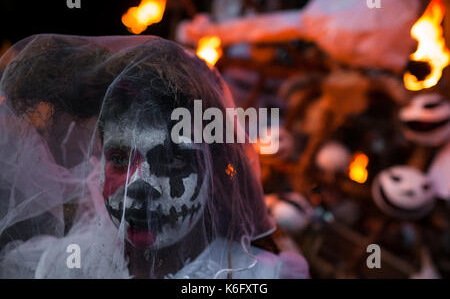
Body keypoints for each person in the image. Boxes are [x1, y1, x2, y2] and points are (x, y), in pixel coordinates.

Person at [0, 34, 309, 279]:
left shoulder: (259, 275)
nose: (139, 187)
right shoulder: (62, 268)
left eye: (171, 161)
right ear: (98, 162)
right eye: (120, 159)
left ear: (211, 169)